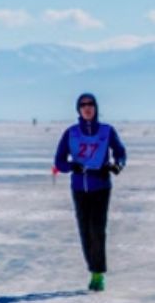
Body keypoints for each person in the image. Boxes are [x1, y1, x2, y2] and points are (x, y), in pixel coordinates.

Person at [54, 92, 127, 292]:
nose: (87, 108)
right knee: (85, 231)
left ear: (96, 107)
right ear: (78, 109)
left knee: (97, 230)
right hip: (79, 188)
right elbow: (59, 161)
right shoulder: (71, 133)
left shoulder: (107, 131)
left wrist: (117, 165)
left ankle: (98, 274)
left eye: (90, 104)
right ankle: (93, 269)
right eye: (83, 105)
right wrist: (72, 166)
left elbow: (120, 152)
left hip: (101, 186)